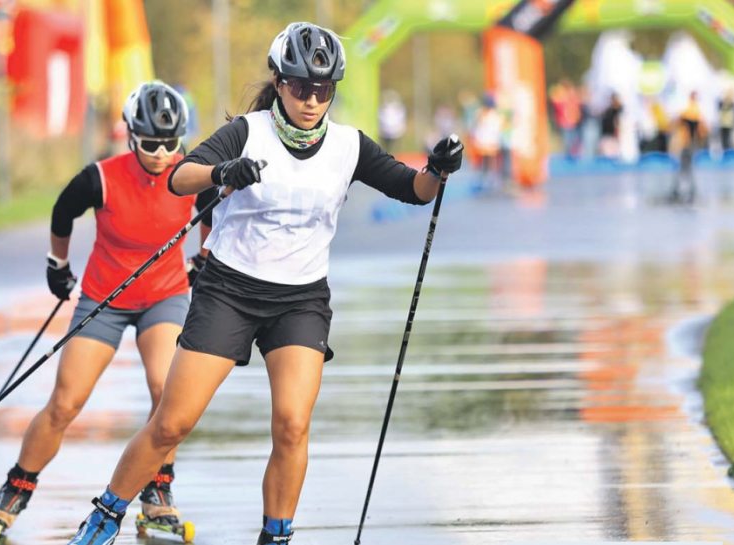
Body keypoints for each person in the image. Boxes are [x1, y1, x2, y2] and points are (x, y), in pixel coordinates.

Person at [64, 22, 464, 545]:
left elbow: (412, 188)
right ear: (279, 82)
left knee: (292, 424)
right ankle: (105, 516)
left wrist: (436, 168)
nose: (312, 99)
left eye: (324, 90)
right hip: (229, 290)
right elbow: (180, 176)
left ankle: (276, 536)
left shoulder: (347, 145)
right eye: (301, 87)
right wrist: (223, 172)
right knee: (171, 424)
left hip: (300, 300)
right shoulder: (248, 132)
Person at [0, 81, 213, 545]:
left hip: (164, 297)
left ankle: (157, 493)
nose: (162, 152)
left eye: (172, 142)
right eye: (151, 143)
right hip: (104, 299)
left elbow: (213, 217)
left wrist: (201, 261)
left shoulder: (192, 174)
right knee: (66, 402)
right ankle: (16, 488)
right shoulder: (102, 177)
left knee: (165, 390)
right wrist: (57, 265)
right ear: (130, 136)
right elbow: (62, 213)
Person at [670, 91, 707, 204]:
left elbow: (701, 130)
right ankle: (681, 189)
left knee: (686, 168)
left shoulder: (692, 111)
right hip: (685, 143)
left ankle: (684, 189)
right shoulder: (689, 111)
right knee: (684, 167)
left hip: (689, 143)